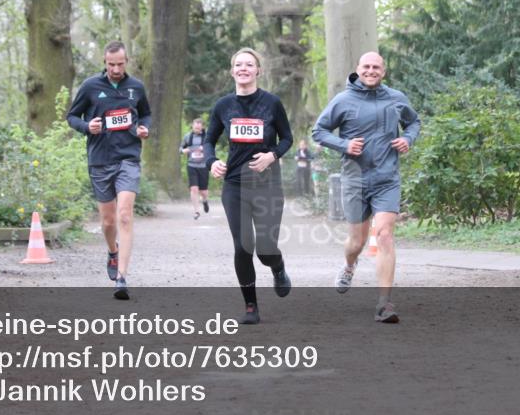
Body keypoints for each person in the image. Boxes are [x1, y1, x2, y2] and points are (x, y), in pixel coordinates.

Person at [312, 51, 420, 323]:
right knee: (356, 242)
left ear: (383, 71)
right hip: (355, 179)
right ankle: (349, 265)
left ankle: (384, 303)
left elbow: (414, 122)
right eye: (366, 66)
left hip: (387, 178)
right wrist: (344, 145)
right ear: (358, 69)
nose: (371, 70)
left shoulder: (395, 98)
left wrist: (408, 138)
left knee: (383, 235)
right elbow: (319, 131)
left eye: (376, 67)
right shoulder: (343, 100)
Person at [205, 48, 294, 324]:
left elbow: (287, 138)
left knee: (266, 249)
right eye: (239, 65)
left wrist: (272, 156)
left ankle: (277, 268)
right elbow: (208, 141)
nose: (244, 69)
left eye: (249, 65)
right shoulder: (223, 106)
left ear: (258, 71)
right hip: (235, 185)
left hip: (267, 185)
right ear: (232, 71)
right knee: (243, 246)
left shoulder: (272, 103)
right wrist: (212, 162)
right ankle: (251, 307)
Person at [67, 41, 151, 300]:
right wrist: (86, 126)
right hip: (100, 159)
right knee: (107, 221)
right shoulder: (91, 87)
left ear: (127, 61)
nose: (115, 69)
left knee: (124, 215)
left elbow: (145, 114)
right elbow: (72, 116)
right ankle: (112, 251)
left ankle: (122, 277)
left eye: (120, 64)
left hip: (128, 158)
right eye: (111, 64)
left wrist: (143, 128)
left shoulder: (136, 87)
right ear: (105, 62)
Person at [180, 118, 210, 219]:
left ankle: (205, 200)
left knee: (203, 191)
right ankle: (196, 211)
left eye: (199, 125)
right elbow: (180, 149)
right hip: (191, 165)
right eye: (195, 125)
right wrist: (184, 151)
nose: (197, 127)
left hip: (203, 166)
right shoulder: (188, 137)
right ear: (192, 126)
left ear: (202, 126)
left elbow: (212, 148)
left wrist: (204, 149)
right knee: (193, 189)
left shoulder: (207, 137)